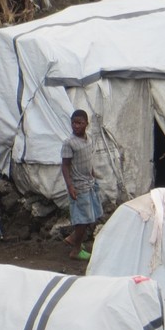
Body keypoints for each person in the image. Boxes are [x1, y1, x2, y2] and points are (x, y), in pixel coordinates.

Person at [60, 110, 101, 261]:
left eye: (79, 123)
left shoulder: (89, 139)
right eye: (73, 123)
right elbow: (65, 166)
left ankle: (73, 238)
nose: (76, 126)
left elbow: (88, 159)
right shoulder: (69, 143)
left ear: (86, 124)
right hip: (79, 186)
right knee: (83, 219)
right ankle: (76, 250)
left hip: (89, 183)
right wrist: (70, 186)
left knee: (92, 216)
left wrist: (93, 174)